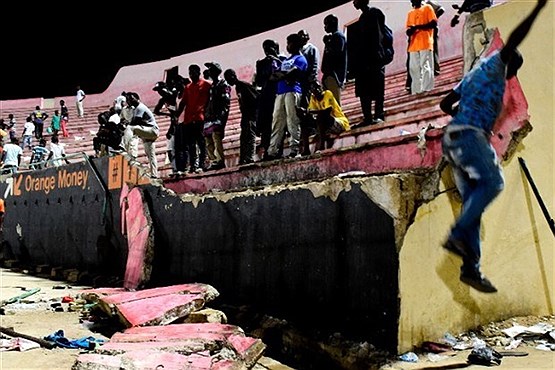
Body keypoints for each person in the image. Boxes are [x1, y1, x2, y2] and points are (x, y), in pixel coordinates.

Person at [439, 0, 547, 293]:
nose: (509, 80)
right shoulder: (498, 64)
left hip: (452, 140)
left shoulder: (472, 75)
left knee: (472, 204)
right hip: (468, 136)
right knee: (494, 182)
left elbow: (444, 103)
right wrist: (538, 9)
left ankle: (470, 268)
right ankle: (457, 235)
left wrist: (464, 115)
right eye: (512, 74)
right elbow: (514, 41)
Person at [266, 33, 308, 160]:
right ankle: (272, 151)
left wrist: (282, 75)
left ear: (296, 44)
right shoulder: (285, 60)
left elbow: (293, 73)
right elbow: (272, 77)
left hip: (293, 91)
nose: (287, 46)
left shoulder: (301, 59)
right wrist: (284, 75)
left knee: (292, 121)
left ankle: (294, 149)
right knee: (277, 122)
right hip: (280, 93)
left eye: (289, 43)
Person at [349, 0, 388, 126]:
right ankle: (367, 117)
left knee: (377, 89)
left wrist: (378, 57)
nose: (354, 3)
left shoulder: (374, 13)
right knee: (363, 91)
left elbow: (378, 37)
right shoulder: (362, 17)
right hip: (363, 62)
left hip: (374, 59)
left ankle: (378, 115)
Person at [175, 64, 211, 175]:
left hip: (200, 117)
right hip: (188, 119)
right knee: (191, 144)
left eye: (193, 72)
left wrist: (208, 112)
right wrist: (177, 115)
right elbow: (183, 102)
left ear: (198, 72)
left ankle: (201, 164)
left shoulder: (206, 84)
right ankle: (193, 165)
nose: (191, 75)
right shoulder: (188, 87)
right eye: (190, 73)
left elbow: (210, 99)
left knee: (201, 142)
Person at [253, 39, 286, 160]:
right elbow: (260, 81)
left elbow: (281, 76)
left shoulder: (283, 60)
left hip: (279, 94)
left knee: (279, 123)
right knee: (266, 126)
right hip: (267, 97)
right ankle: (268, 150)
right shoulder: (262, 63)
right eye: (265, 48)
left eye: (269, 47)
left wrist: (275, 60)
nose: (267, 51)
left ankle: (278, 150)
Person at [297, 81, 350, 154]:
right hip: (325, 124)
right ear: (311, 91)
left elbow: (326, 111)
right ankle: (306, 150)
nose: (318, 89)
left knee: (321, 117)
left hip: (339, 122)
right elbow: (312, 112)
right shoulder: (313, 98)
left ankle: (321, 147)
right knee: (304, 121)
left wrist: (308, 111)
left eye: (319, 87)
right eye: (315, 88)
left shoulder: (327, 93)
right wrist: (304, 113)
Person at [223, 68, 259, 165]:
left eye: (228, 78)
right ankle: (243, 158)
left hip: (250, 115)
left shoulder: (244, 86)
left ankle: (250, 157)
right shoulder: (238, 87)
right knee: (243, 138)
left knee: (250, 137)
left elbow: (256, 97)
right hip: (245, 115)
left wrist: (251, 112)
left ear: (233, 76)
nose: (227, 81)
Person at [122, 92, 160, 178]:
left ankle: (125, 148)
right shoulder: (135, 109)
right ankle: (154, 174)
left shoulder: (140, 108)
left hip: (152, 130)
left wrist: (126, 123)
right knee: (150, 154)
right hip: (146, 132)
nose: (130, 101)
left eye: (131, 99)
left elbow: (135, 122)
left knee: (130, 128)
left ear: (137, 98)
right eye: (128, 100)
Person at [450, 0, 494, 73]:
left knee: (470, 51)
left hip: (476, 18)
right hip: (486, 15)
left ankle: (469, 71)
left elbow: (467, 3)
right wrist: (460, 9)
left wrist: (456, 16)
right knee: (488, 43)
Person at [203, 62, 232, 171]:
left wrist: (222, 119)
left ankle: (219, 160)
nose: (209, 71)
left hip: (217, 117)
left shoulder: (223, 84)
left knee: (216, 138)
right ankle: (213, 160)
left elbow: (226, 103)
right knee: (208, 140)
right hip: (209, 117)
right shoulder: (212, 86)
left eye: (211, 69)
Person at [406, 0, 438, 95]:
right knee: (413, 68)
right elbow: (407, 31)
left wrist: (417, 27)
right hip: (413, 45)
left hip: (425, 42)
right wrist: (412, 30)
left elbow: (433, 23)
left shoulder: (427, 8)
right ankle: (416, 90)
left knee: (426, 65)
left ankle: (427, 89)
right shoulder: (410, 13)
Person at [321, 14, 348, 106]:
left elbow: (336, 55)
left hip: (334, 75)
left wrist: (328, 44)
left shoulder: (338, 36)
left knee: (335, 104)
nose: (325, 27)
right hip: (329, 75)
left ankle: (338, 120)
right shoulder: (333, 37)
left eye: (326, 24)